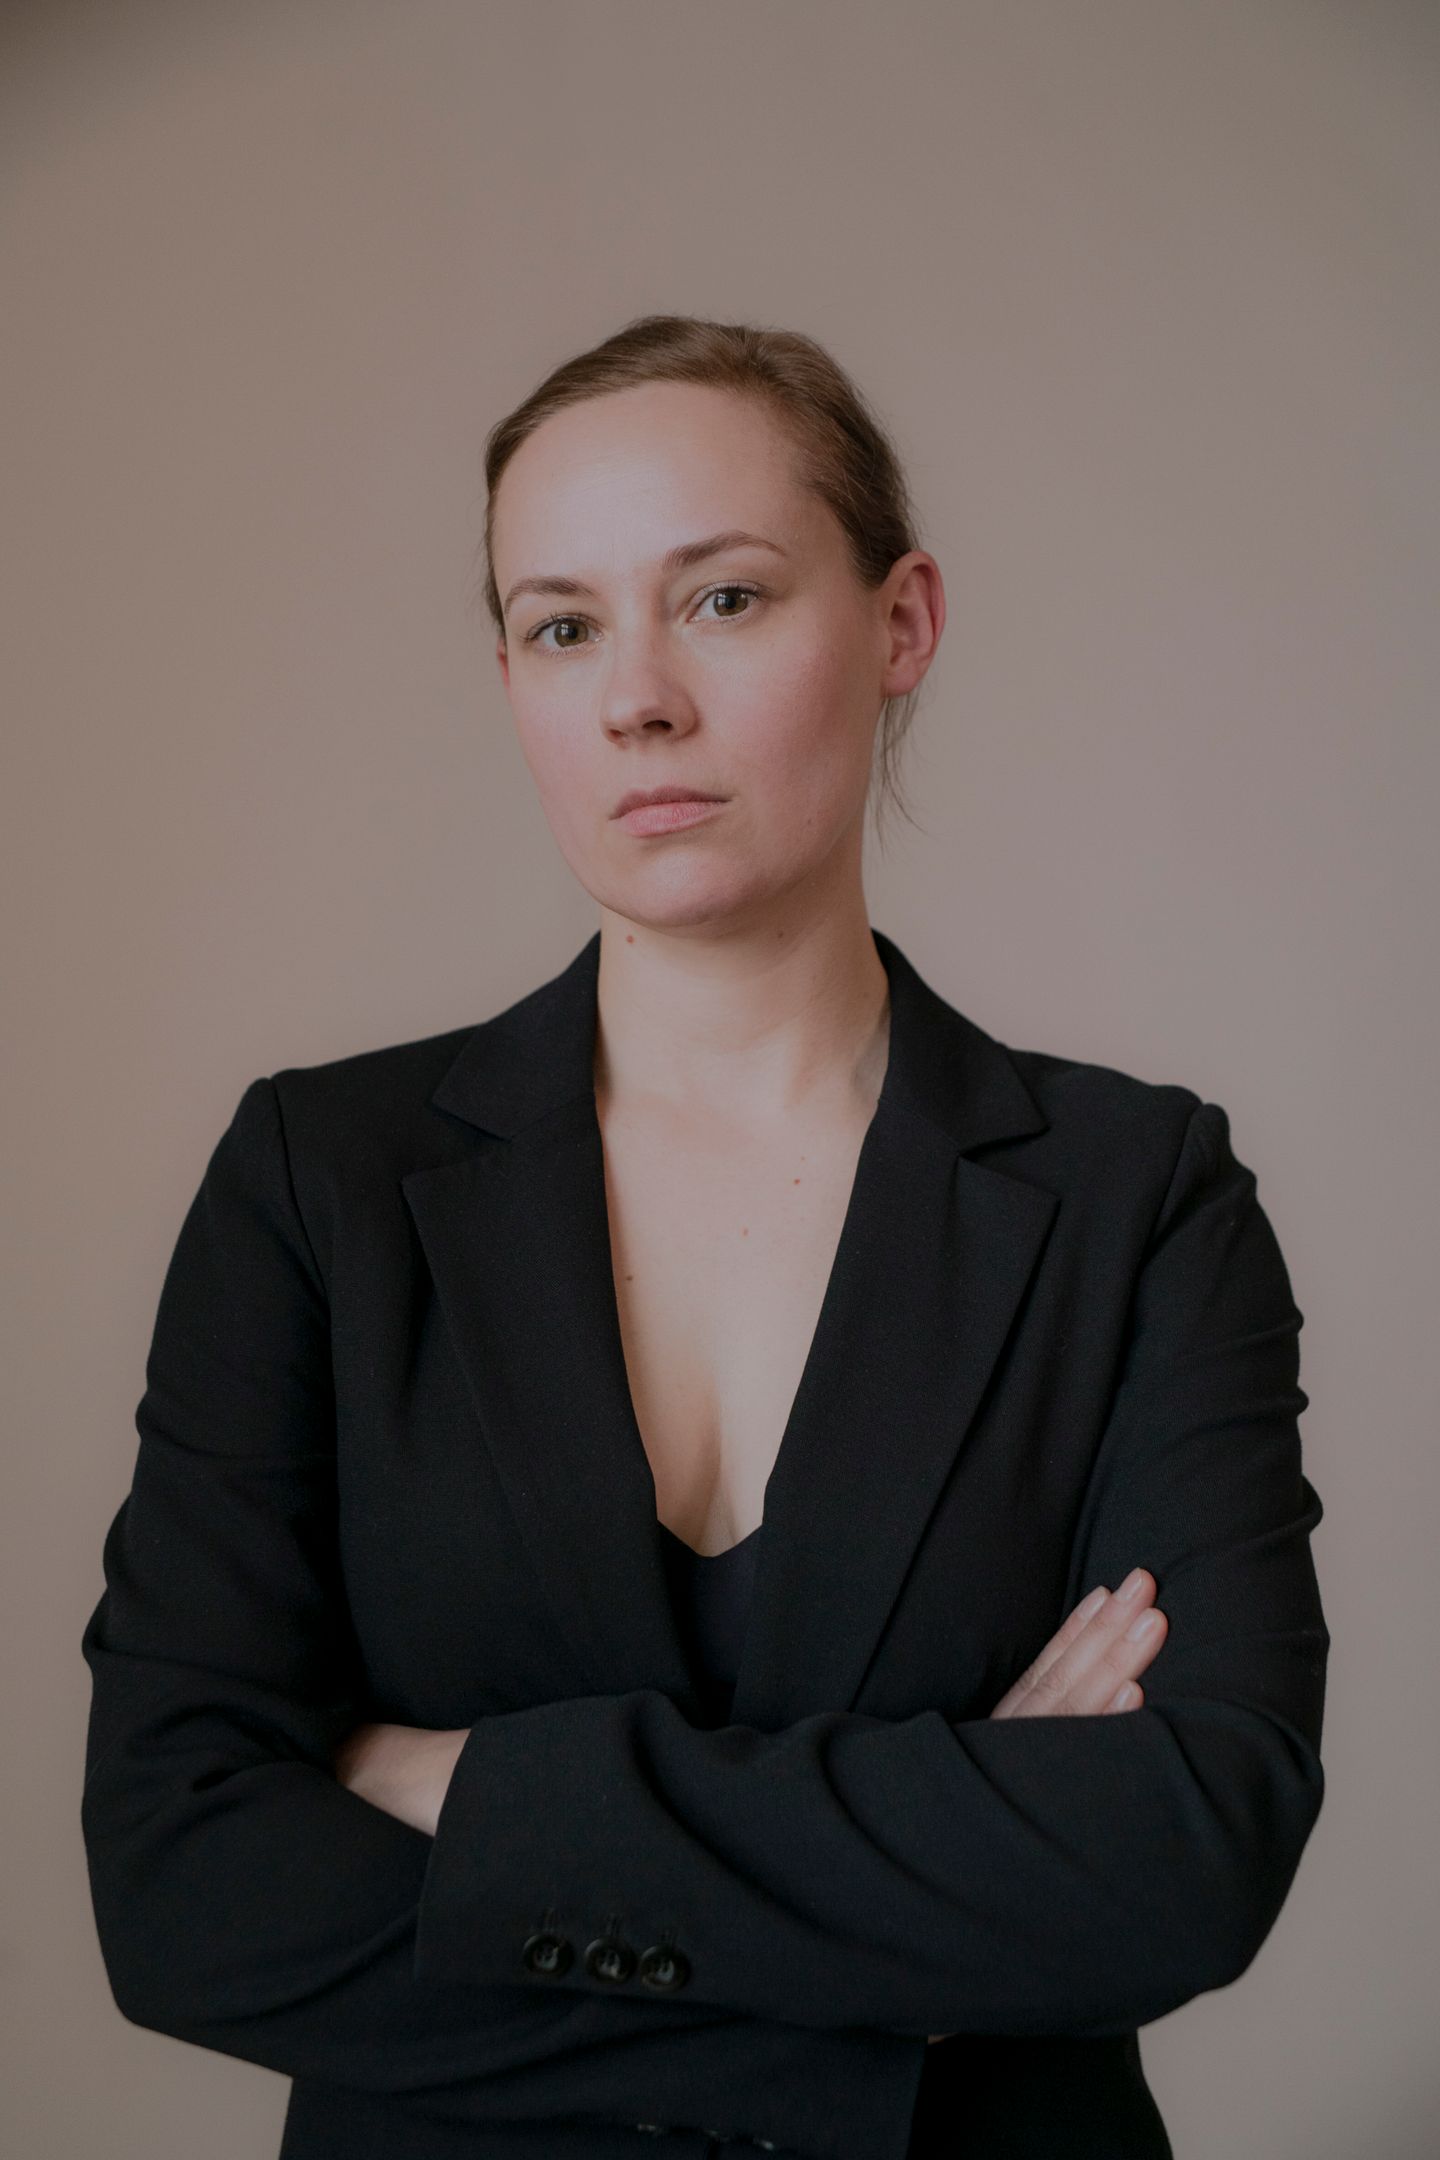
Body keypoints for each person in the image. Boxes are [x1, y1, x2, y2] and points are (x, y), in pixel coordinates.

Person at [80, 314, 1329, 2160]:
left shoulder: (1139, 1199)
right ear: (509, 673)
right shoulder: (316, 1182)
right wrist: (903, 1982)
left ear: (902, 623)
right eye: (562, 626)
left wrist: (470, 1792)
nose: (636, 701)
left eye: (723, 600)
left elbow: (1190, 1849)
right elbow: (182, 1885)